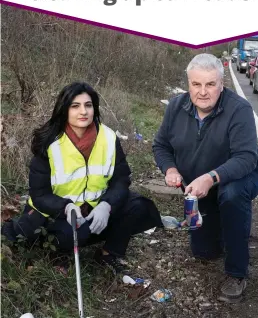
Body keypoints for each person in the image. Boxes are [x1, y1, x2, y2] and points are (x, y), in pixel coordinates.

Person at [1, 82, 163, 275]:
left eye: (88, 105)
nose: (83, 111)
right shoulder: (50, 142)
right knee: (71, 233)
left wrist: (106, 205)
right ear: (64, 109)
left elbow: (121, 180)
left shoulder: (108, 138)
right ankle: (57, 253)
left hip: (94, 208)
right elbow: (39, 194)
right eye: (75, 106)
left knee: (139, 206)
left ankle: (108, 254)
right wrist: (66, 207)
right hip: (55, 214)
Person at [152, 53, 258, 303]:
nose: (203, 92)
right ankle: (224, 229)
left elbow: (246, 157)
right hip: (200, 186)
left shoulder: (239, 110)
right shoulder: (175, 107)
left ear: (221, 84)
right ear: (188, 84)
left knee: (232, 196)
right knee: (204, 252)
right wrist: (170, 169)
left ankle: (237, 272)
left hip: (238, 177)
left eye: (210, 84)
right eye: (196, 84)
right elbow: (160, 145)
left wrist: (211, 177)